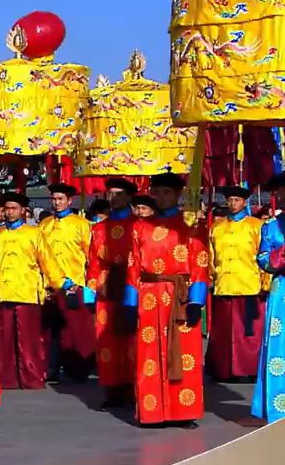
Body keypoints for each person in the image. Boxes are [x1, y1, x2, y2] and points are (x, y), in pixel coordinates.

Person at [123, 172, 207, 428]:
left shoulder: (192, 224)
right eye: (156, 192)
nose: (160, 197)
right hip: (149, 295)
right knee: (149, 354)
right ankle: (152, 411)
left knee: (184, 353)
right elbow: (133, 266)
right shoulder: (139, 227)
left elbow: (201, 264)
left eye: (166, 192)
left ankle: (183, 411)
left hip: (179, 297)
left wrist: (195, 301)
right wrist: (129, 303)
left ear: (179, 194)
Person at [0, 192, 63, 389]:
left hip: (27, 292)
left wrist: (59, 284)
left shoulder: (35, 233)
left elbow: (47, 261)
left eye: (14, 208)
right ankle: (6, 378)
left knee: (29, 340)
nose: (10, 212)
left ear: (23, 211)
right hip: (2, 292)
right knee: (4, 340)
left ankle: (32, 377)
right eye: (7, 209)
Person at [84, 178, 139, 409]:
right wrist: (89, 293)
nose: (113, 198)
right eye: (110, 193)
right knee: (107, 338)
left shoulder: (140, 225)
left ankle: (135, 388)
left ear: (128, 197)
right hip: (106, 285)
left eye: (118, 194)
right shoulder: (97, 228)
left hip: (132, 282)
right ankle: (113, 389)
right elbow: (93, 262)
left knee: (132, 337)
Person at [38, 183, 95, 384]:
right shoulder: (44, 225)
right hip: (49, 285)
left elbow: (90, 255)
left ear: (69, 201)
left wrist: (87, 283)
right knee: (49, 330)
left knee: (75, 330)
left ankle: (77, 369)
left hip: (74, 284)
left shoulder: (81, 225)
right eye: (54, 199)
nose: (57, 202)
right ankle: (50, 368)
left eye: (61, 199)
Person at [208, 186, 263, 381]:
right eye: (230, 200)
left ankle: (249, 369)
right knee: (223, 332)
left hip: (249, 284)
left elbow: (262, 255)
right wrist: (211, 279)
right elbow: (211, 256)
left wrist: (265, 283)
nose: (233, 203)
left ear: (245, 202)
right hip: (224, 284)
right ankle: (225, 370)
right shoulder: (217, 227)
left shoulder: (256, 226)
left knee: (248, 332)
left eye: (237, 200)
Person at [253, 174, 285, 423]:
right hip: (282, 289)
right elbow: (263, 259)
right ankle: (279, 407)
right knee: (279, 347)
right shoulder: (271, 227)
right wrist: (280, 256)